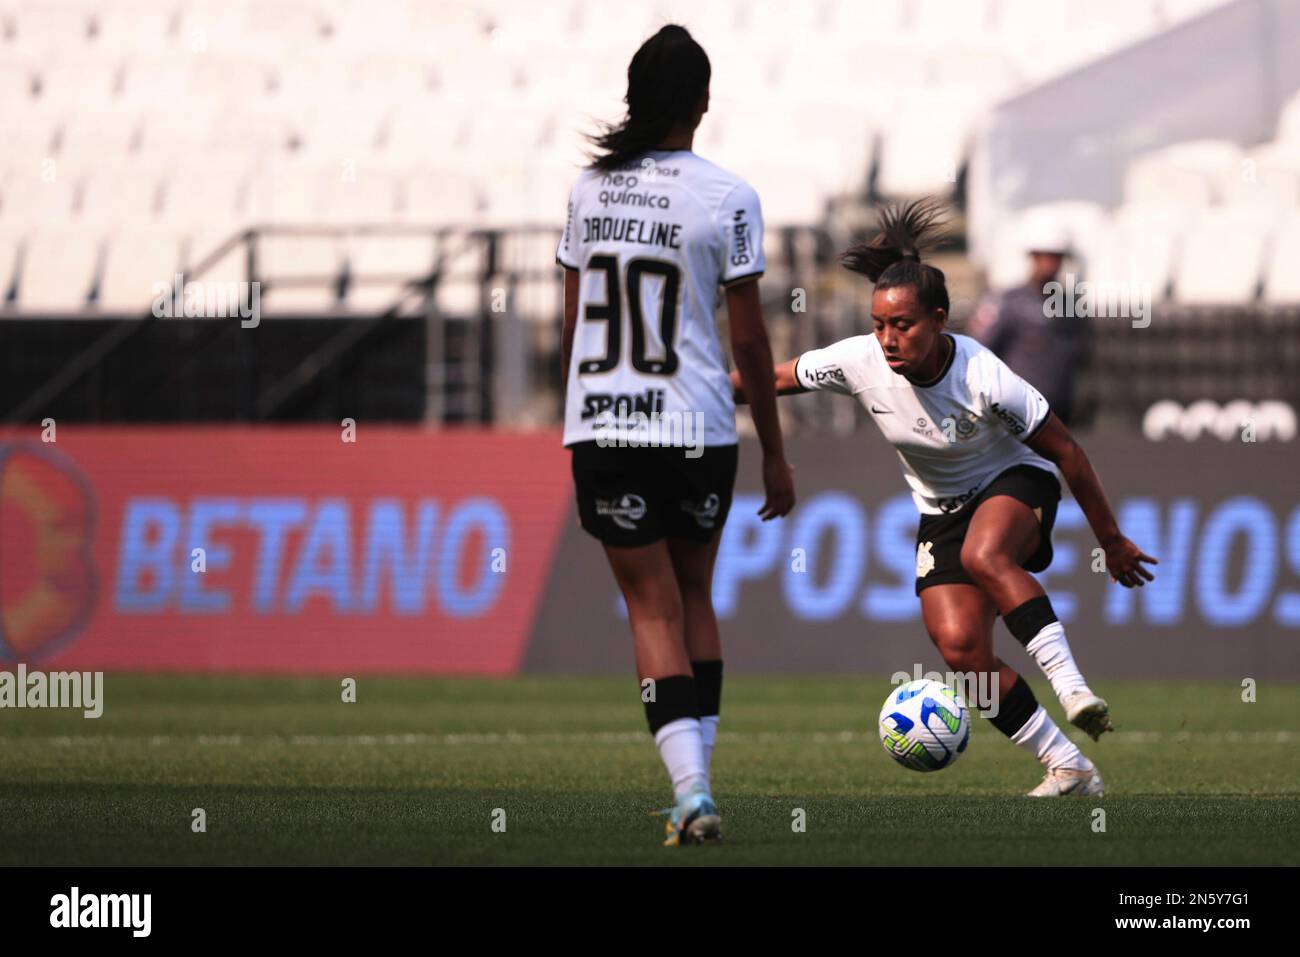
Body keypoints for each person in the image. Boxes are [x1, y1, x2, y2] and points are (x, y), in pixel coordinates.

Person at [731, 199, 1157, 797]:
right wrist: (693, 395)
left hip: (1018, 480)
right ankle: (1069, 766)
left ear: (939, 319)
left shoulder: (983, 376)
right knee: (960, 650)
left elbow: (1068, 453)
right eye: (879, 324)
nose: (886, 338)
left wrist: (1110, 542)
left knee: (988, 556)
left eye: (902, 325)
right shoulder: (857, 360)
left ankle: (1072, 687)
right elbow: (766, 380)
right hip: (942, 508)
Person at [557, 25, 795, 843]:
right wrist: (775, 443)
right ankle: (701, 779)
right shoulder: (729, 196)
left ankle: (691, 790)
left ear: (635, 97)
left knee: (650, 610)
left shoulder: (589, 190)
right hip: (697, 424)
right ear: (701, 101)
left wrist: (575, 413)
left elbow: (571, 322)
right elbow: (752, 342)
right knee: (694, 594)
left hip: (606, 420)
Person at [967, 219, 1089, 426]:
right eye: (1045, 256)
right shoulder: (1008, 301)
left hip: (1059, 411)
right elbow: (978, 351)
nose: (1050, 263)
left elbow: (1080, 355)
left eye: (1056, 257)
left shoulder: (1071, 305)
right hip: (1015, 412)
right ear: (1033, 256)